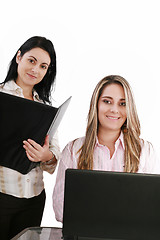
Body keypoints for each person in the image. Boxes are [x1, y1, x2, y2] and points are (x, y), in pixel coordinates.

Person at [53, 75, 160, 223]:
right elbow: (60, 209)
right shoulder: (73, 150)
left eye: (122, 103)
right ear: (96, 104)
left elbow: (151, 207)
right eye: (107, 101)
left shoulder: (145, 150)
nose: (114, 110)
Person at [0, 36, 60, 239]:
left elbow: (54, 155)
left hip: (33, 199)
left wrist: (46, 156)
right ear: (19, 57)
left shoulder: (45, 108)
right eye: (31, 61)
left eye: (43, 66)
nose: (36, 70)